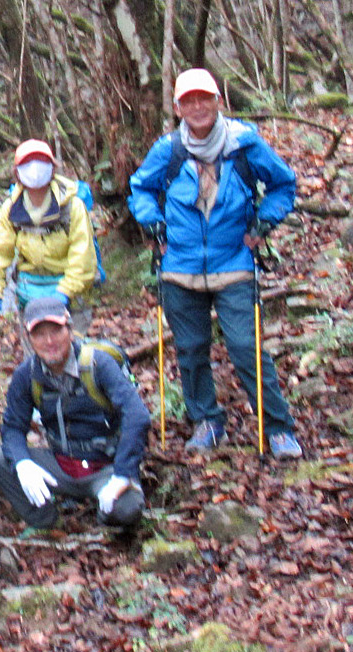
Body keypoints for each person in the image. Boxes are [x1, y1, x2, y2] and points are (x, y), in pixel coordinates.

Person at [128, 68, 302, 458]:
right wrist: (152, 222)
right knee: (190, 350)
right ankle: (206, 421)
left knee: (245, 346)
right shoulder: (168, 150)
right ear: (177, 108)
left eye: (204, 98)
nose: (197, 107)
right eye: (188, 101)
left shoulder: (244, 145)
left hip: (234, 263)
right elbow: (140, 188)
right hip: (179, 267)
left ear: (218, 101)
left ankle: (278, 428)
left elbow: (283, 184)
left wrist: (264, 222)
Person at [0, 297, 149, 532]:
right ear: (29, 338)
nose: (49, 341)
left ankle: (105, 515)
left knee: (128, 509)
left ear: (70, 330)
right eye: (39, 334)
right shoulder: (26, 375)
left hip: (106, 467)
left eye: (56, 331)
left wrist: (123, 475)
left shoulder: (98, 364)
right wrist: (23, 463)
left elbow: (137, 416)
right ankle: (46, 522)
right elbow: (13, 427)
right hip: (59, 466)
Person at [0, 140, 96, 335]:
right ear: (17, 172)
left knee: (72, 347)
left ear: (52, 169)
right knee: (37, 350)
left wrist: (65, 292)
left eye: (41, 161)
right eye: (27, 163)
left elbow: (83, 255)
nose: (34, 168)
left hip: (70, 295)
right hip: (29, 293)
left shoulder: (73, 206)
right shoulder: (11, 209)